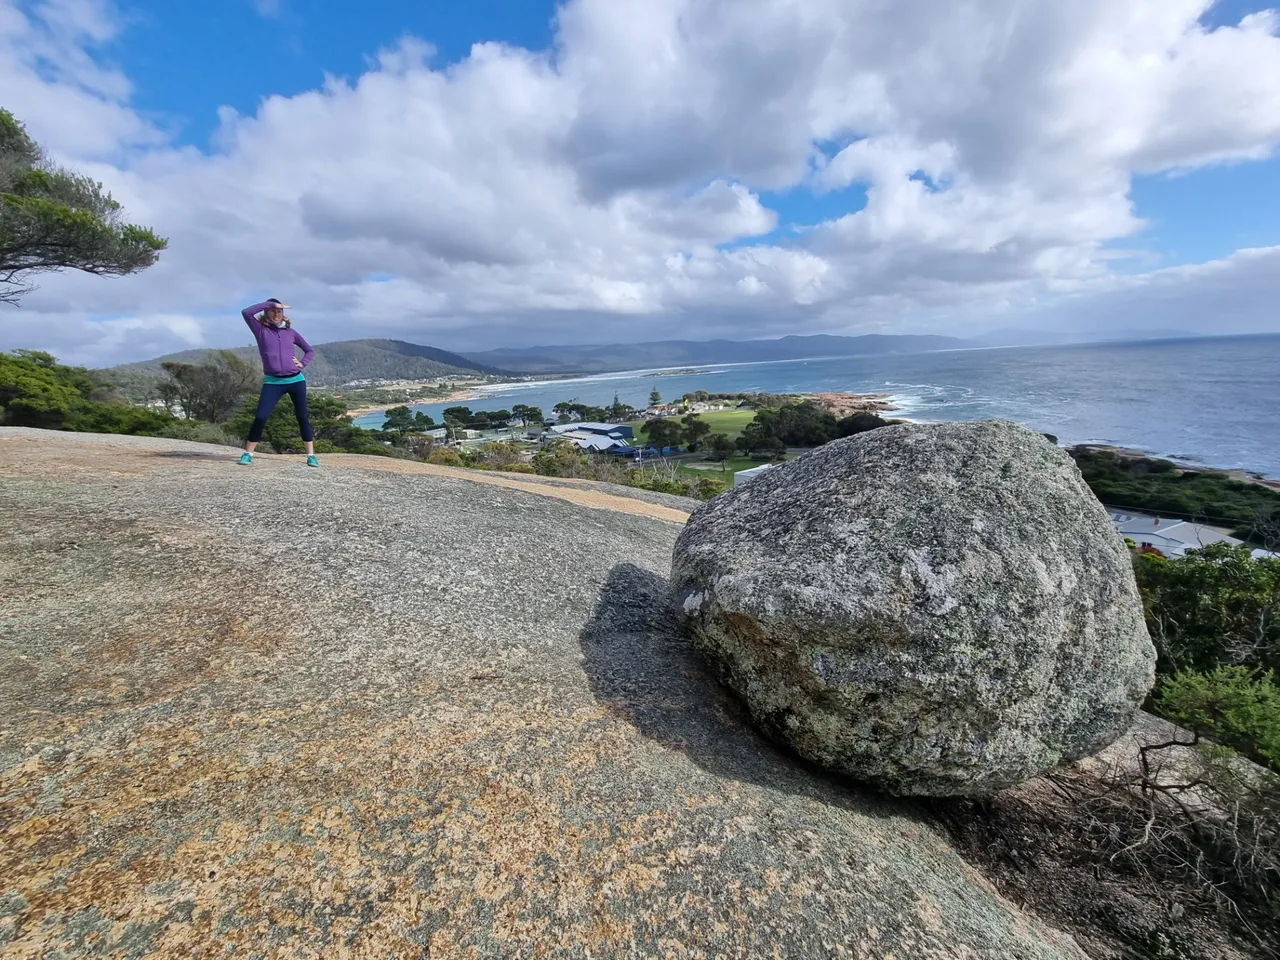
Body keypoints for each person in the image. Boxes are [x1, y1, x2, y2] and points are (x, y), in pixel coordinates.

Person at [237, 298, 319, 467]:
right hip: (273, 382)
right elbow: (246, 312)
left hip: (296, 380)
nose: (276, 314)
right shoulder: (260, 330)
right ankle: (248, 453)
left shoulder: (291, 332)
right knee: (260, 417)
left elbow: (309, 350)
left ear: (284, 315)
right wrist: (272, 304)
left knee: (302, 416)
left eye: (279, 311)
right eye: (273, 311)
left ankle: (311, 455)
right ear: (266, 313)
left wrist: (302, 363)